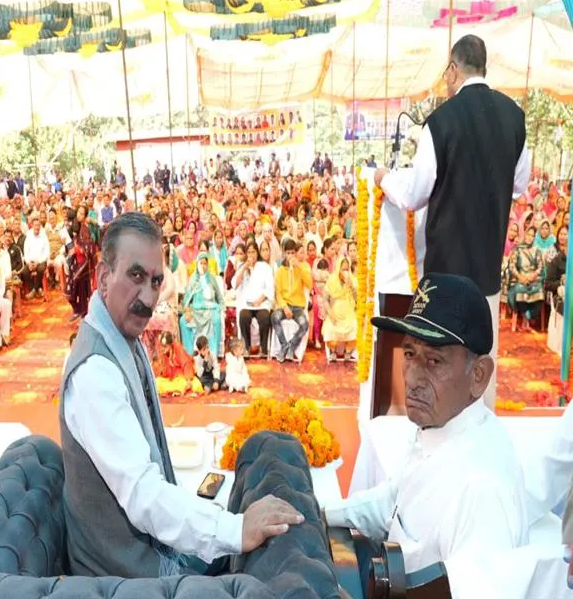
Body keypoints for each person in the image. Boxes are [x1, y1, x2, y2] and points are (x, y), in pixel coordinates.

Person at [59, 212, 304, 578]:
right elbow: (143, 496)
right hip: (121, 572)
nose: (147, 296)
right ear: (102, 278)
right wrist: (235, 529)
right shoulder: (95, 372)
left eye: (156, 281)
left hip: (144, 547)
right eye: (136, 275)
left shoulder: (121, 336)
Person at [324, 273, 527, 574]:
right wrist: (321, 513)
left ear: (479, 376)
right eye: (409, 354)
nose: (412, 378)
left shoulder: (481, 490)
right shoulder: (442, 428)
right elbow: (395, 505)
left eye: (434, 361)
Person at [374, 35, 529, 409]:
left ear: (454, 69)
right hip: (487, 273)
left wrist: (382, 178)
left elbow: (414, 194)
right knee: (477, 362)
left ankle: (438, 441)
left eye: (447, 71)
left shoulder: (441, 121)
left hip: (444, 275)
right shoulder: (514, 117)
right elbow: (519, 185)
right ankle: (477, 439)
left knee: (440, 368)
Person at [271, 239, 312, 362]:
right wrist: (284, 307)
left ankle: (291, 347)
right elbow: (277, 293)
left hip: (298, 307)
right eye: (288, 253)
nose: (290, 256)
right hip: (285, 306)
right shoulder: (280, 271)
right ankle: (284, 345)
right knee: (274, 317)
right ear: (284, 253)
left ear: (295, 254)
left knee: (304, 324)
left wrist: (299, 266)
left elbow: (309, 284)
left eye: (292, 253)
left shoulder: (301, 268)